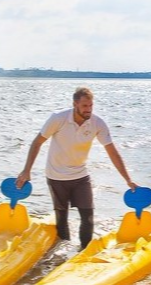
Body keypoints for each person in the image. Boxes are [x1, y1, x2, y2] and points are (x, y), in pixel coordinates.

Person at [16, 87, 137, 250]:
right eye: (85, 106)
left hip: (80, 176)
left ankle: (83, 254)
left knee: (88, 217)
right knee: (62, 217)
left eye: (91, 106)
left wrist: (127, 179)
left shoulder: (97, 123)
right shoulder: (58, 118)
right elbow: (37, 142)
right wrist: (26, 170)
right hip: (56, 176)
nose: (88, 110)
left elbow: (112, 152)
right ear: (75, 104)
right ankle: (61, 257)